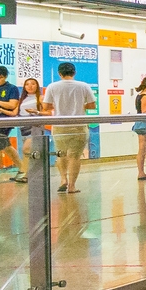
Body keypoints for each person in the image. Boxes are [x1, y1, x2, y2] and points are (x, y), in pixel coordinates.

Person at [42, 61, 96, 193]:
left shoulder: (52, 86)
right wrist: (79, 106)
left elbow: (46, 107)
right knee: (74, 156)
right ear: (74, 73)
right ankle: (72, 186)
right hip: (79, 126)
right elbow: (92, 105)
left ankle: (63, 179)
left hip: (59, 126)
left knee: (61, 154)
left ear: (59, 73)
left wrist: (59, 106)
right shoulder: (83, 86)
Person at [16, 76, 47, 180]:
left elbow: (48, 112)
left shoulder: (40, 98)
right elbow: (15, 112)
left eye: (33, 84)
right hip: (23, 127)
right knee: (27, 152)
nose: (30, 86)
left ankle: (26, 174)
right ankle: (24, 173)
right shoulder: (22, 99)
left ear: (37, 86)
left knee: (26, 148)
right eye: (27, 84)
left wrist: (36, 112)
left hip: (35, 127)